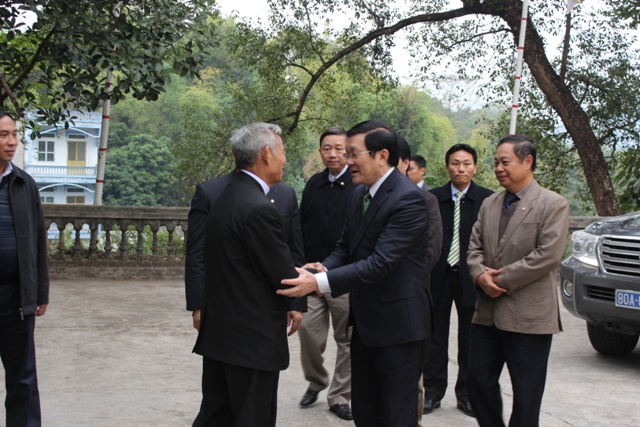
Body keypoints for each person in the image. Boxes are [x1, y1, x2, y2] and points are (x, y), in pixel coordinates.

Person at [280, 120, 432, 427]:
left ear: (381, 155)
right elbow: (344, 248)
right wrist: (320, 267)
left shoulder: (408, 199)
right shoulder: (358, 194)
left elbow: (381, 263)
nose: (347, 161)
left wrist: (319, 283)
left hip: (398, 327)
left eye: (353, 154)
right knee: (365, 411)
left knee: (396, 416)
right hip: (365, 325)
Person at [191, 122, 301, 427]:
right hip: (251, 341)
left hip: (222, 333)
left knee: (216, 415)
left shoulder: (226, 196)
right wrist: (312, 275)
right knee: (252, 418)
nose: (285, 159)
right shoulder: (258, 208)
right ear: (266, 154)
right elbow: (281, 275)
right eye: (282, 152)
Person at [466, 135, 569, 427]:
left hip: (529, 316)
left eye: (505, 162)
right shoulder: (490, 204)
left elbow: (548, 255)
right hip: (486, 315)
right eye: (496, 162)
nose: (498, 168)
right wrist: (479, 275)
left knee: (526, 394)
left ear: (527, 162)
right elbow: (473, 249)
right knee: (478, 381)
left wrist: (500, 280)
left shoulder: (553, 204)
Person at [423, 144, 494, 418]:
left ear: (475, 167)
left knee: (471, 339)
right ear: (447, 166)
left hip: (472, 279)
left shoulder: (487, 200)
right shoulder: (432, 198)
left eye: (466, 163)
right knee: (434, 338)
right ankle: (432, 392)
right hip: (437, 276)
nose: (460, 169)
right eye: (455, 163)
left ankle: (466, 394)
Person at [297, 127, 354, 420]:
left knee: (346, 339)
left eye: (338, 148)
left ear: (349, 151)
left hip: (343, 277)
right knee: (307, 330)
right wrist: (303, 264)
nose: (332, 154)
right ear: (320, 151)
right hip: (311, 275)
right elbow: (299, 226)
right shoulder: (313, 185)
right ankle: (316, 380)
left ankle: (340, 395)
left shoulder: (358, 186)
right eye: (326, 148)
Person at [0, 110, 49, 427]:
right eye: (4, 135)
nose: (12, 141)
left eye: (14, 134)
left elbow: (37, 244)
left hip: (15, 297)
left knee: (22, 380)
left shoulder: (23, 184)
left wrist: (39, 292)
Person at [396, 137, 441, 427]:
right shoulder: (362, 196)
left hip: (409, 298)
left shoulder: (425, 200)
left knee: (411, 377)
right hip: (372, 303)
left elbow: (431, 251)